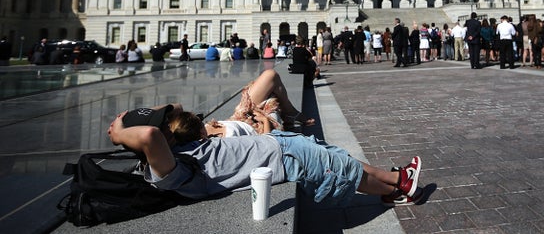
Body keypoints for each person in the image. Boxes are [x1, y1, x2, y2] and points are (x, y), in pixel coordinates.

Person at [107, 103, 424, 208]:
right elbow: (149, 136)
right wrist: (121, 133)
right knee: (345, 173)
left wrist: (146, 119)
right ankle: (398, 190)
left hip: (282, 145)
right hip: (287, 160)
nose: (166, 127)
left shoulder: (178, 150)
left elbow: (172, 112)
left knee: (341, 159)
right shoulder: (169, 170)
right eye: (162, 127)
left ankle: (395, 180)